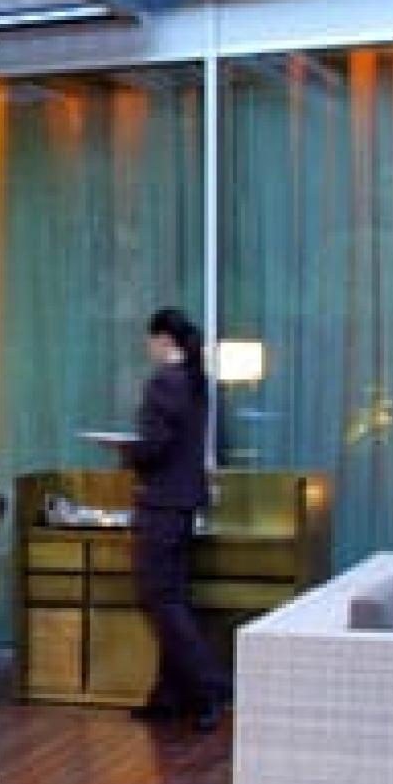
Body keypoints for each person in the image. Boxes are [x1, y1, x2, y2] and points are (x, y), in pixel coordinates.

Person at [123, 306, 225, 726]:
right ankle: (168, 695)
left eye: (151, 340)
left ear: (163, 339)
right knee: (174, 598)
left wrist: (127, 452)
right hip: (185, 503)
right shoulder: (195, 384)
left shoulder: (163, 383)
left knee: (159, 599)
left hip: (161, 503)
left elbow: (155, 446)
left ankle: (206, 688)